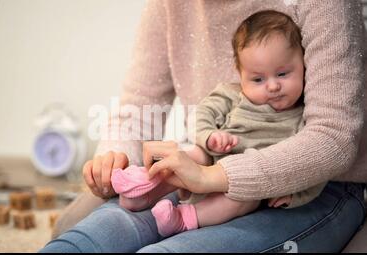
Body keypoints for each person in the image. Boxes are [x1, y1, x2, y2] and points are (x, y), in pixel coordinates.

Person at [45, 1, 367, 252]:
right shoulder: (169, 5)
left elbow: (333, 137)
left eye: (281, 75)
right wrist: (114, 156)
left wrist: (214, 178)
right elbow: (141, 100)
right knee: (89, 238)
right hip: (206, 167)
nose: (271, 86)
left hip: (315, 185)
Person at [110, 10, 327, 238]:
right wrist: (209, 136)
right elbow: (203, 113)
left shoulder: (303, 118)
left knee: (243, 199)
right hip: (211, 159)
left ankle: (184, 219)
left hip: (250, 180)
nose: (272, 86)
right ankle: (143, 185)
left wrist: (296, 196)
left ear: (303, 64)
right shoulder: (233, 95)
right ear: (241, 74)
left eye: (282, 74)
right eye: (258, 79)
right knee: (192, 154)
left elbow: (314, 166)